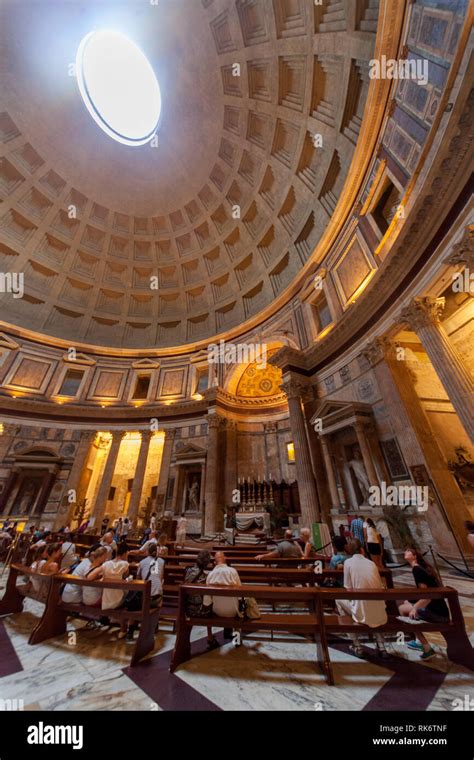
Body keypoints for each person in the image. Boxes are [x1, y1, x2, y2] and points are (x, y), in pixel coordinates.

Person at [336, 539, 389, 659]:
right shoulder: (372, 563)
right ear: (362, 550)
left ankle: (356, 644)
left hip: (363, 610)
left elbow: (348, 589)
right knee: (374, 605)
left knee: (338, 600)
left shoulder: (348, 563)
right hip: (381, 612)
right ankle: (381, 646)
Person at [397, 547, 449, 661]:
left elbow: (426, 596)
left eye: (408, 551)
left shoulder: (417, 570)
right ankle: (417, 641)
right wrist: (412, 603)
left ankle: (426, 647)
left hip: (436, 613)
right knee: (406, 603)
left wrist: (414, 607)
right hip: (440, 609)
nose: (405, 552)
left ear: (415, 556)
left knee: (402, 609)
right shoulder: (420, 568)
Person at [184, 550, 218, 650]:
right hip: (200, 611)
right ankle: (210, 637)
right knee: (209, 605)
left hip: (187, 609)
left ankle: (186, 639)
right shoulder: (207, 576)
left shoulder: (188, 570)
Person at [203, 551, 242, 638]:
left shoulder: (210, 574)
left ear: (214, 563)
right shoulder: (233, 571)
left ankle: (211, 638)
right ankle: (237, 639)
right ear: (225, 560)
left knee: (214, 603)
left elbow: (207, 601)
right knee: (237, 603)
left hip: (217, 611)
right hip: (233, 611)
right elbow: (240, 594)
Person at [101, 542, 130, 638]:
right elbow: (126, 578)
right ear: (125, 553)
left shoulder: (106, 564)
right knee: (129, 595)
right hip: (118, 600)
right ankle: (124, 629)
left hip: (106, 600)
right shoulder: (125, 564)